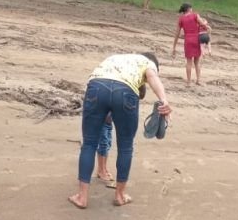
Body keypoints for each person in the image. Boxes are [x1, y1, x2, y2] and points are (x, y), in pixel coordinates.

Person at [68, 53, 172, 209]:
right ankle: (120, 195)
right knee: (125, 147)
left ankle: (82, 197)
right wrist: (164, 100)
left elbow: (108, 83)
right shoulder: (147, 63)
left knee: (89, 144)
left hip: (96, 86)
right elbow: (152, 76)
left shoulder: (118, 58)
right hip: (125, 92)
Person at [96, 85, 146, 185]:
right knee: (103, 143)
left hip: (108, 119)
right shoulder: (120, 91)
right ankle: (101, 169)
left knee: (107, 142)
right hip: (103, 117)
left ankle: (103, 168)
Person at [172, 3, 209, 86]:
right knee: (197, 61)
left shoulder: (181, 19)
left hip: (188, 40)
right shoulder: (195, 15)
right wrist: (207, 27)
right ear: (189, 9)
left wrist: (174, 47)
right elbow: (202, 24)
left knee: (189, 62)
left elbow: (177, 33)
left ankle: (188, 82)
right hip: (196, 39)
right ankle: (198, 80)